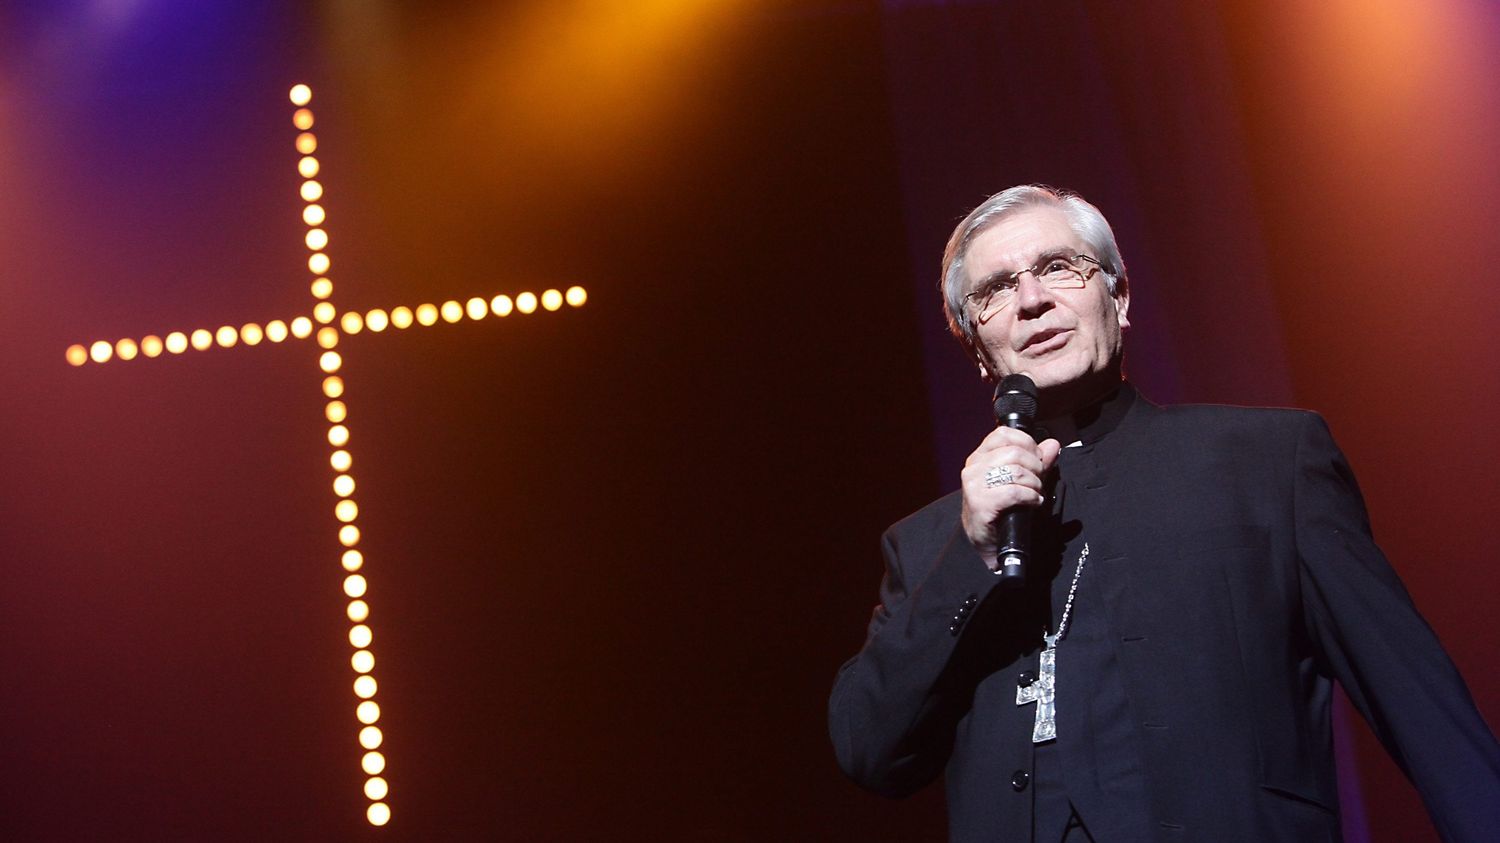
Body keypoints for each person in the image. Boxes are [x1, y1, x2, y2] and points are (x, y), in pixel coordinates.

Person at [828, 185, 1500, 841]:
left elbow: (1420, 706)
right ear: (976, 348)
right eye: (996, 290)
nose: (1032, 300)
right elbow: (868, 750)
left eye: (1058, 267)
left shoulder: (1266, 462)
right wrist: (968, 557)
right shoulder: (928, 545)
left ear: (1118, 298)